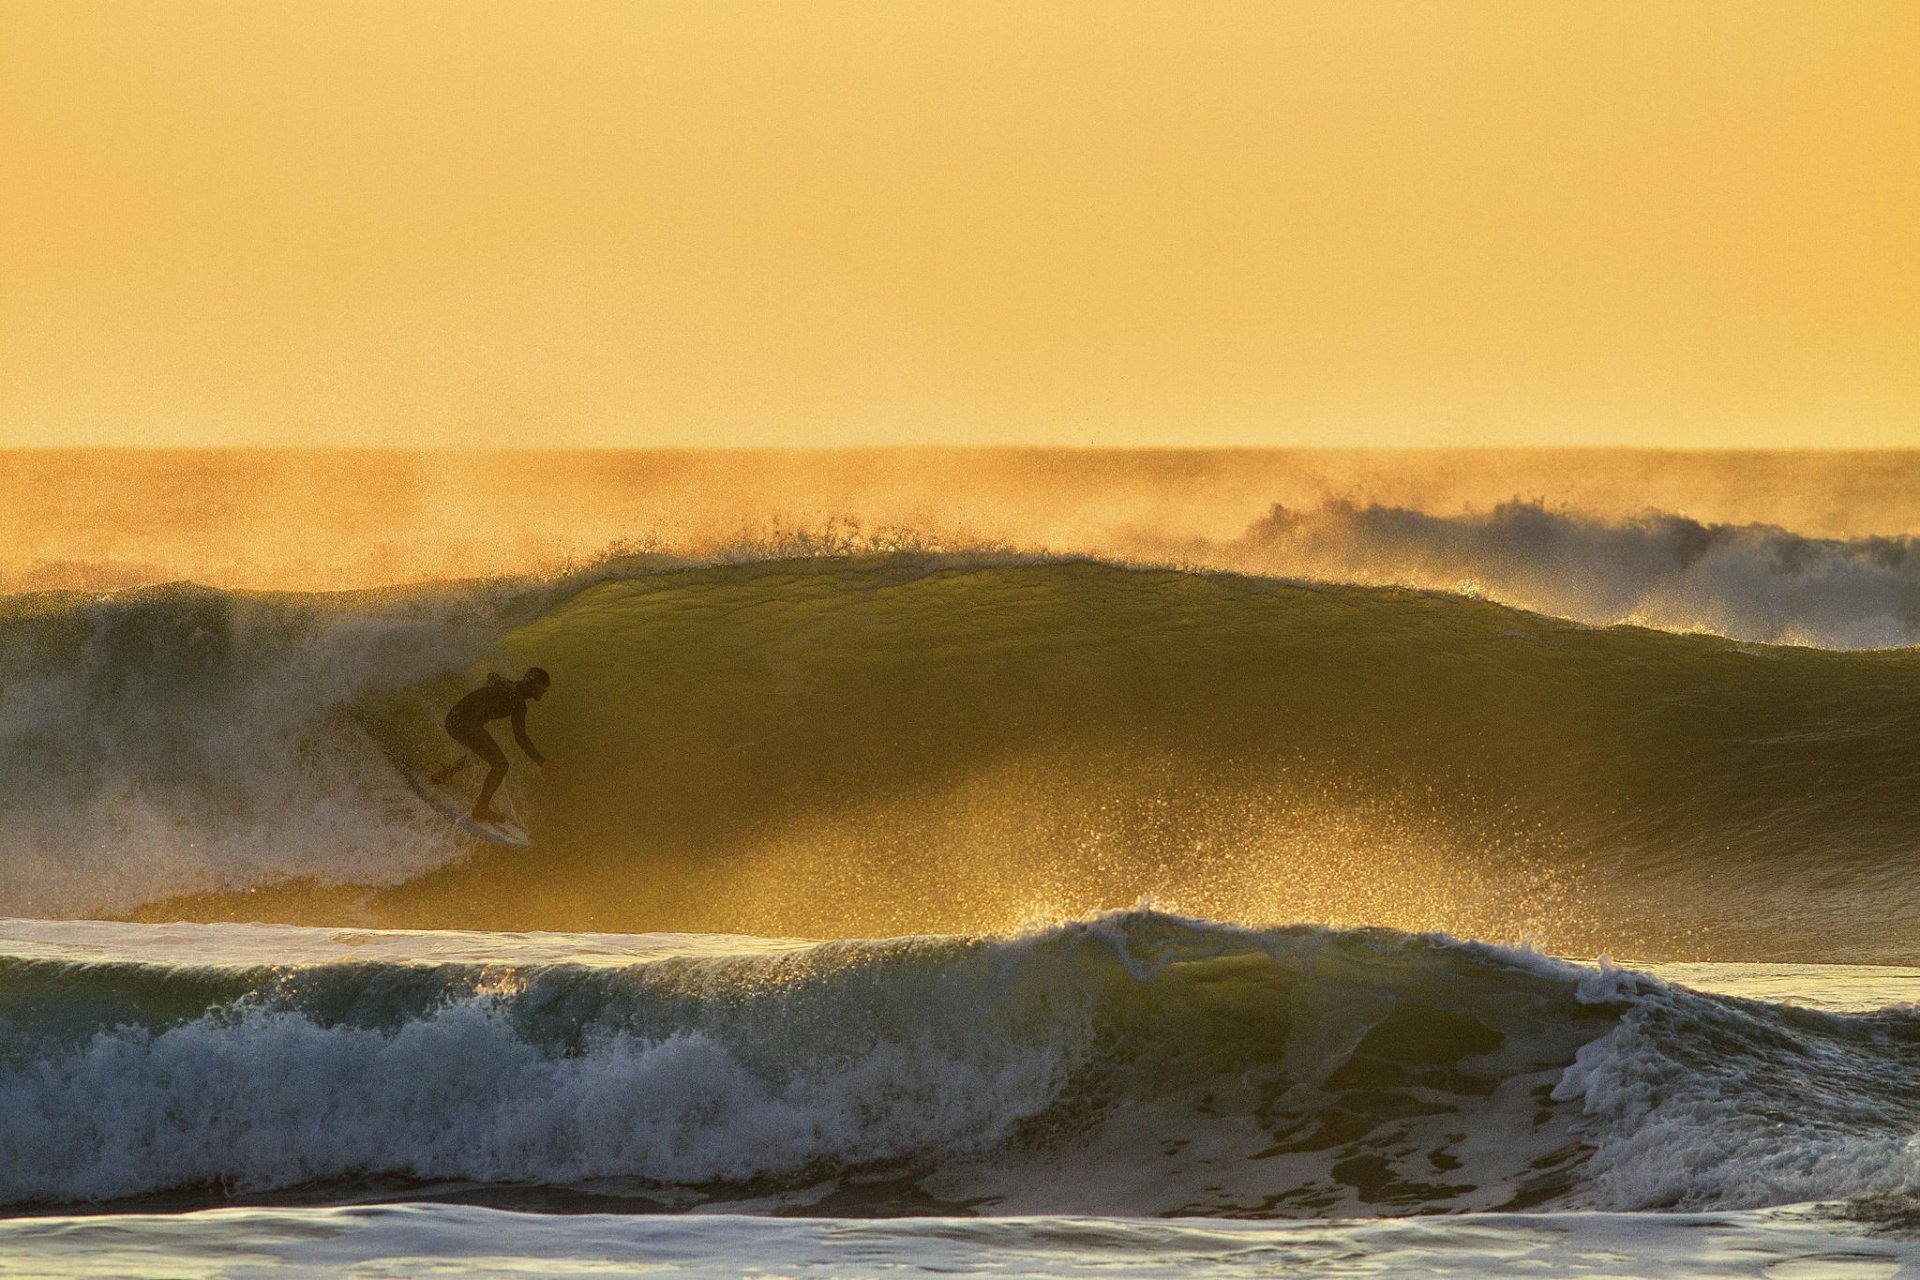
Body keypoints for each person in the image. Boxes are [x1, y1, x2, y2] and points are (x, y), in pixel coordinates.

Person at [431, 667, 553, 823]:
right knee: (501, 765)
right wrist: (541, 761)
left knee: (480, 753)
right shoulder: (518, 703)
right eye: (543, 686)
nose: (544, 690)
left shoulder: (507, 685)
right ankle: (481, 809)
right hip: (464, 724)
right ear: (534, 684)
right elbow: (521, 738)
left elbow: (491, 676)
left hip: (453, 718)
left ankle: (446, 774)